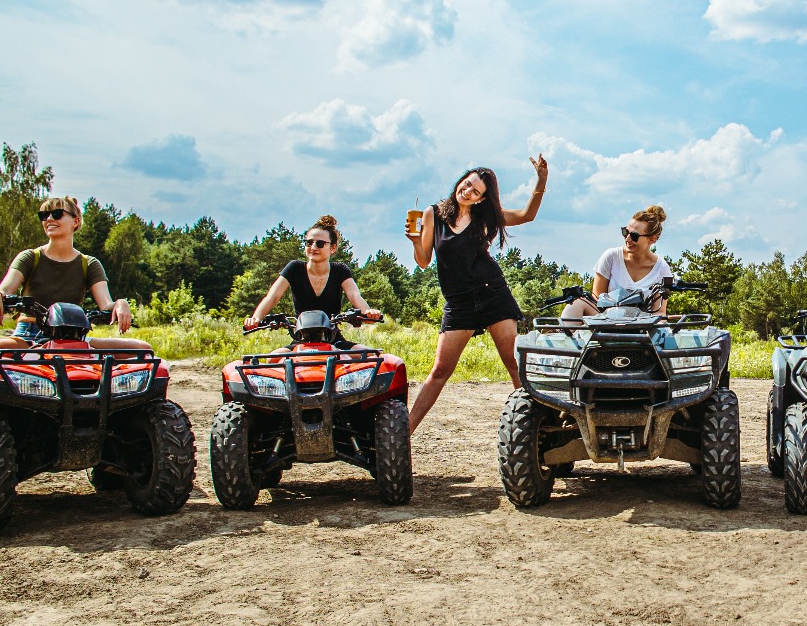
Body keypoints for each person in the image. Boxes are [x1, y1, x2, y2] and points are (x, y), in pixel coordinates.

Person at [405, 157, 549, 432]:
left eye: (475, 191)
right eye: (466, 184)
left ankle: (533, 430)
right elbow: (423, 261)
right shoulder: (433, 214)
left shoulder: (485, 216)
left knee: (512, 363)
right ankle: (405, 433)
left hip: (492, 294)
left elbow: (526, 215)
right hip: (459, 303)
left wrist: (541, 180)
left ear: (482, 199)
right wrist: (415, 241)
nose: (467, 191)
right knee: (439, 372)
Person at [0, 196, 142, 354]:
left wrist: (121, 304)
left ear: (75, 221)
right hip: (28, 336)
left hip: (74, 338)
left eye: (57, 214)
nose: (50, 219)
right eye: (44, 215)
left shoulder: (89, 264)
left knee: (142, 349)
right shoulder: (30, 257)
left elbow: (106, 304)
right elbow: (5, 287)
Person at [245, 214, 378, 329]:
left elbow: (354, 296)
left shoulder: (340, 270)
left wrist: (367, 312)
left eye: (320, 244)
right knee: (271, 360)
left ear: (333, 248)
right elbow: (272, 297)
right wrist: (255, 319)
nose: (313, 247)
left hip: (333, 339)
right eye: (309, 243)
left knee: (372, 356)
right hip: (300, 339)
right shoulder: (294, 268)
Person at [563, 205, 673, 320]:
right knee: (576, 302)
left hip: (642, 327)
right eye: (625, 232)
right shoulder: (611, 257)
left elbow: (660, 312)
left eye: (634, 236)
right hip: (605, 321)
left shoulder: (662, 269)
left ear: (652, 239)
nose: (627, 239)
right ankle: (565, 335)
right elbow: (597, 300)